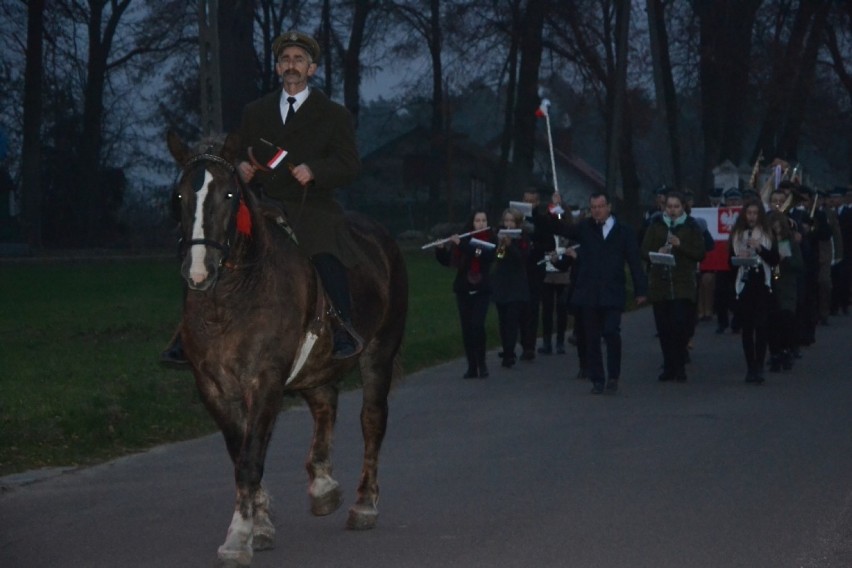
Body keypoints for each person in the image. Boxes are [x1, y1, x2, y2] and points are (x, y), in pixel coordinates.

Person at [236, 30, 363, 359]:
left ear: (312, 69)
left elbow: (350, 165)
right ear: (278, 69)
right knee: (213, 247)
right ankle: (195, 330)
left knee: (323, 250)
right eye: (285, 60)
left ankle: (341, 326)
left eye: (299, 60)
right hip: (265, 202)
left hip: (313, 207)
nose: (291, 65)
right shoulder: (255, 112)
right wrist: (240, 167)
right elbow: (236, 151)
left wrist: (315, 171)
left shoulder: (334, 115)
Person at [554, 192, 648, 395]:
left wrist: (641, 289)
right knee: (591, 336)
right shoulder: (585, 228)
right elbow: (564, 229)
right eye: (593, 207)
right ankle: (597, 379)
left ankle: (613, 376)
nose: (597, 210)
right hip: (589, 292)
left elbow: (634, 261)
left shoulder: (624, 231)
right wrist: (558, 210)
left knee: (611, 332)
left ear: (609, 207)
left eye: (600, 206)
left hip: (613, 291)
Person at [640, 191, 706, 383]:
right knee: (664, 328)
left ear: (683, 207)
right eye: (669, 207)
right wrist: (656, 252)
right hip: (660, 284)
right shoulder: (656, 225)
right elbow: (643, 250)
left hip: (682, 284)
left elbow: (700, 253)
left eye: (676, 206)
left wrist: (680, 245)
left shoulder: (691, 226)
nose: (672, 210)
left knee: (680, 325)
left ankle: (679, 365)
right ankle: (668, 365)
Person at [435, 211, 495, 378]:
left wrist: (461, 244)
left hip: (482, 289)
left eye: (484, 220)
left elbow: (482, 255)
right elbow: (449, 261)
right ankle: (472, 366)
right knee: (467, 329)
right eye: (478, 220)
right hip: (463, 289)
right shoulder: (464, 240)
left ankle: (482, 363)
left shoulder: (491, 240)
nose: (481, 223)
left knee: (477, 325)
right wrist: (441, 250)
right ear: (472, 223)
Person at [729, 198, 780, 384]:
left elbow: (775, 259)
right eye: (749, 213)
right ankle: (750, 366)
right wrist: (738, 257)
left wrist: (759, 249)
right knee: (747, 328)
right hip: (744, 284)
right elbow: (729, 263)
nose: (751, 217)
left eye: (755, 213)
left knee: (761, 326)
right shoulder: (737, 234)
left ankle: (759, 364)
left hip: (762, 284)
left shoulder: (768, 233)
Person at [766, 192, 803, 372]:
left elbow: (798, 264)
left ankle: (787, 350)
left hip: (787, 286)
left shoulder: (790, 242)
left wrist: (785, 259)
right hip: (772, 285)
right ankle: (775, 353)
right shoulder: (768, 242)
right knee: (772, 324)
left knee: (786, 320)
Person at [518, 187, 555, 361]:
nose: (528, 204)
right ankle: (519, 341)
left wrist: (535, 246)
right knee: (517, 307)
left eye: (532, 201)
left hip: (534, 268)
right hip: (517, 268)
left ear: (537, 203)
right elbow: (501, 251)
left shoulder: (543, 220)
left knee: (532, 307)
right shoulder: (516, 219)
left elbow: (549, 244)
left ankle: (529, 345)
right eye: (526, 200)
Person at [492, 208, 531, 369]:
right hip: (502, 282)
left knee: (512, 320)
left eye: (511, 221)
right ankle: (507, 348)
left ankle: (509, 352)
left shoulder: (523, 238)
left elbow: (522, 258)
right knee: (503, 320)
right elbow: (499, 257)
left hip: (516, 284)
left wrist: (511, 246)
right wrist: (501, 245)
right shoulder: (500, 237)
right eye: (506, 221)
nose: (508, 224)